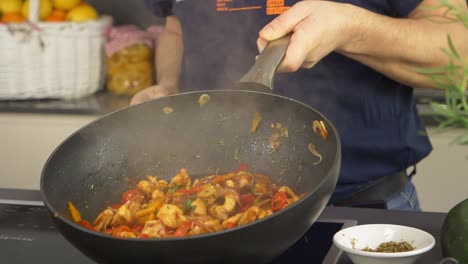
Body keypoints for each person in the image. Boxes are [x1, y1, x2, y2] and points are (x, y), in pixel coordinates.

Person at [132, 0, 468, 210]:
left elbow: (458, 52)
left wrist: (348, 29)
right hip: (205, 205)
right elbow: (174, 28)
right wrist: (168, 85)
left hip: (362, 212)